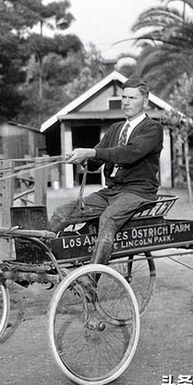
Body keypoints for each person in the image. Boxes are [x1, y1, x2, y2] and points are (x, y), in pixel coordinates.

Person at [49, 77, 164, 278]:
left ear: (145, 102)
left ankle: (90, 280)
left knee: (108, 218)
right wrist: (81, 158)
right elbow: (96, 159)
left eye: (132, 98)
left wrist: (91, 153)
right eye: (124, 97)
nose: (126, 102)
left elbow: (129, 153)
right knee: (62, 213)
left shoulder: (152, 128)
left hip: (138, 192)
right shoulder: (115, 129)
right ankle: (39, 261)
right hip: (111, 192)